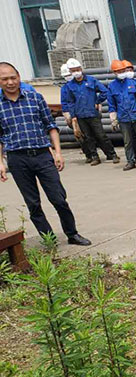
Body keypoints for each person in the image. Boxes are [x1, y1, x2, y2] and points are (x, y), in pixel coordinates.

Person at [0, 62, 91, 246]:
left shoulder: (35, 98)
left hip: (42, 155)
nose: (10, 82)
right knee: (33, 203)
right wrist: (1, 162)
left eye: (13, 77)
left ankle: (72, 234)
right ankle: (48, 239)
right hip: (17, 159)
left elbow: (51, 127)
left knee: (58, 198)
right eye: (5, 79)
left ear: (19, 76)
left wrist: (57, 152)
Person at [61, 57, 119, 166]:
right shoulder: (69, 86)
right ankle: (94, 156)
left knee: (101, 135)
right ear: (70, 72)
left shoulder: (91, 80)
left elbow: (104, 91)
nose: (76, 72)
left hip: (93, 113)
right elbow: (70, 102)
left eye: (77, 69)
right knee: (88, 137)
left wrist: (97, 101)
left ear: (81, 68)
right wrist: (73, 116)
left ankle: (112, 154)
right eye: (73, 70)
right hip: (80, 115)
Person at [108, 59, 136, 170]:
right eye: (119, 71)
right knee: (128, 142)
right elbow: (112, 104)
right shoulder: (112, 86)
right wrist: (113, 119)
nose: (121, 73)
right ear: (114, 72)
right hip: (123, 118)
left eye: (122, 70)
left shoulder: (133, 83)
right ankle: (130, 161)